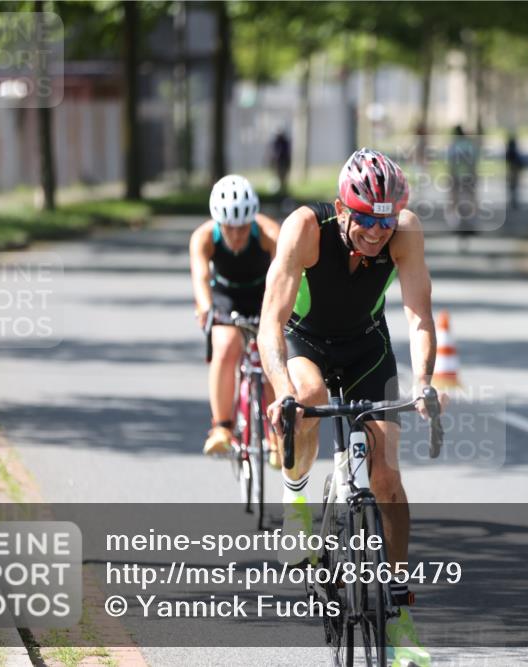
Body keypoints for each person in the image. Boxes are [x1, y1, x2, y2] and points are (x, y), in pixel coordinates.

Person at [258, 148, 440, 666]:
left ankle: (400, 615)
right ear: (342, 208)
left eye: (384, 221)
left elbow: (419, 316)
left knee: (386, 477)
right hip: (306, 343)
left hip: (366, 346)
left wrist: (423, 382)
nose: (376, 232)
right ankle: (295, 504)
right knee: (308, 400)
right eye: (364, 219)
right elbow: (271, 323)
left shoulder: (405, 231)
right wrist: (281, 392)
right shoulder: (304, 229)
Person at [190, 175, 280, 456]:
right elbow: (201, 279)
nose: (238, 235)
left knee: (270, 358)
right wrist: (206, 310)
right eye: (230, 228)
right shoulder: (203, 237)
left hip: (264, 294)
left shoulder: (269, 234)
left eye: (243, 227)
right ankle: (222, 427)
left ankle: (278, 433)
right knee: (226, 345)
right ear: (219, 223)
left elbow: (285, 277)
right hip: (225, 296)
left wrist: (281, 313)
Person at [448, 125, 479, 251]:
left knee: (455, 202)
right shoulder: (470, 145)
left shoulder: (453, 146)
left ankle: (456, 224)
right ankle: (471, 224)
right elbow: (474, 163)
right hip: (468, 177)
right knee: (471, 201)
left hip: (456, 177)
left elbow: (451, 164)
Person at [269, 130, 292, 199]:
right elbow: (273, 154)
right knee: (277, 178)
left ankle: (283, 193)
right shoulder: (275, 142)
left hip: (284, 163)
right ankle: (278, 193)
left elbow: (287, 154)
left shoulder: (285, 142)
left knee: (283, 179)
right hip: (278, 163)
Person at [505, 132, 523, 210]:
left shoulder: (509, 152)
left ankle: (513, 202)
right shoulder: (514, 152)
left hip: (511, 170)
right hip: (514, 171)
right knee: (514, 188)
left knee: (512, 188)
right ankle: (513, 202)